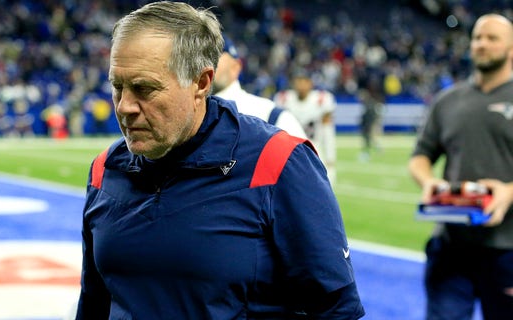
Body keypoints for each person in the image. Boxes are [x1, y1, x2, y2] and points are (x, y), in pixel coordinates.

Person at [76, 1, 365, 319]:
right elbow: (95, 304)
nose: (124, 106)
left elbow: (336, 310)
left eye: (144, 89)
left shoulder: (278, 162)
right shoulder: (105, 170)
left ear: (201, 83)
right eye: (118, 87)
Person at [408, 13, 513, 320]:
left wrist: (508, 192)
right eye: (478, 37)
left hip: (508, 246)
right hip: (452, 243)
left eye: (492, 38)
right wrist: (427, 181)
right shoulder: (447, 100)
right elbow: (420, 155)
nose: (482, 44)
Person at [212, 35, 307, 139]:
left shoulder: (269, 115)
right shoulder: (192, 119)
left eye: (213, 55)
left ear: (235, 67)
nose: (203, 63)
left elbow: (303, 154)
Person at [274, 69, 338, 184]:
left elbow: (327, 130)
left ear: (310, 83)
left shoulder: (321, 99)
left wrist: (330, 157)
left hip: (314, 149)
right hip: (290, 151)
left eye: (304, 81)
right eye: (298, 81)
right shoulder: (283, 99)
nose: (301, 84)